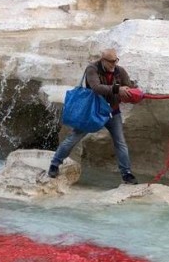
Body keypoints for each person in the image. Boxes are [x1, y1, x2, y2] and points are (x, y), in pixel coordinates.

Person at [48, 49, 138, 184]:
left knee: (120, 142)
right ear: (103, 60)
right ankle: (55, 164)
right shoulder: (92, 69)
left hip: (112, 112)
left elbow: (128, 85)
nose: (114, 64)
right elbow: (96, 87)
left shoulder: (120, 71)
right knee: (73, 138)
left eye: (116, 61)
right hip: (93, 111)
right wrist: (116, 89)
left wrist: (132, 89)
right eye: (111, 62)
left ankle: (127, 174)